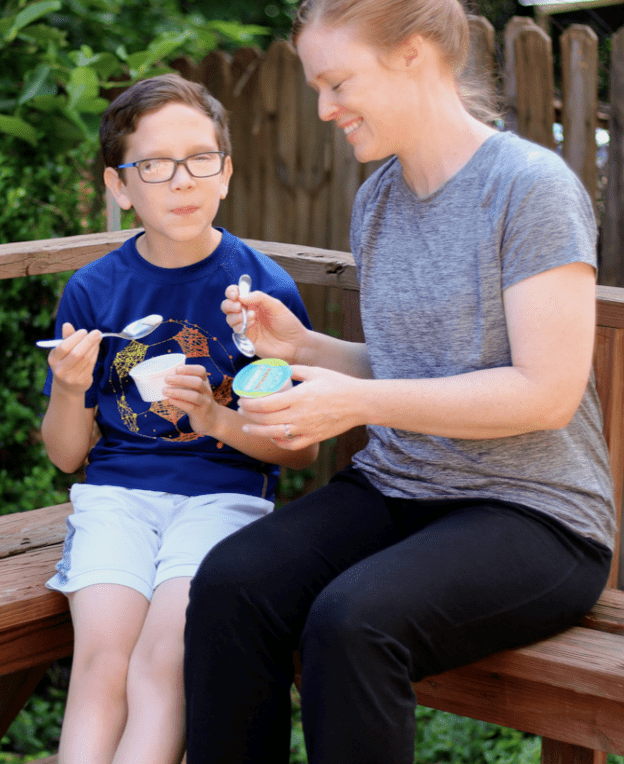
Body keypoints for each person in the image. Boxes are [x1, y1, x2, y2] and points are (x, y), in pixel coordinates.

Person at [182, 1, 617, 763]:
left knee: (354, 623)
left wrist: (357, 402)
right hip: (401, 485)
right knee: (229, 584)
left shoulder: (529, 187)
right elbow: (408, 370)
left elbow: (545, 393)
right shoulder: (378, 199)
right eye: (317, 88)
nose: (325, 109)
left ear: (413, 54)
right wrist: (306, 347)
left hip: (536, 516)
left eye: (338, 82)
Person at [41, 73, 318, 764]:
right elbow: (67, 455)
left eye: (200, 158)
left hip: (223, 501)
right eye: (155, 165)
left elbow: (300, 450)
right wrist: (68, 388)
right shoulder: (94, 290)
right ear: (119, 186)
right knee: (102, 662)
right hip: (116, 500)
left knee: (162, 662)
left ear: (226, 172)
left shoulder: (263, 292)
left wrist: (215, 419)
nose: (182, 180)